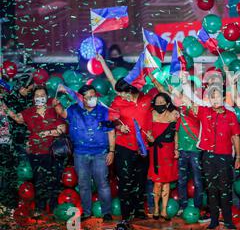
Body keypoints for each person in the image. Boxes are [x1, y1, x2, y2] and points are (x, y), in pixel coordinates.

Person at [54, 84, 115, 222]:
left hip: (100, 153)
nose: (91, 98)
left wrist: (111, 151)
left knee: (103, 183)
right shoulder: (74, 109)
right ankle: (87, 212)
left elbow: (111, 132)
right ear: (82, 98)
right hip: (80, 153)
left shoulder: (103, 111)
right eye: (87, 96)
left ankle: (107, 212)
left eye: (93, 95)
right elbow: (63, 114)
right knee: (83, 184)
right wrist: (57, 105)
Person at [4, 85, 67, 216]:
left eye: (42, 95)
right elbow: (17, 118)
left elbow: (62, 129)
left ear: (46, 97)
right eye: (37, 96)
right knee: (39, 180)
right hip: (36, 152)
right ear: (33, 98)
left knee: (54, 180)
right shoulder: (28, 112)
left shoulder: (54, 108)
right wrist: (5, 109)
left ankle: (54, 207)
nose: (40, 98)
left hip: (54, 152)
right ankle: (40, 207)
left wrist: (47, 132)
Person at [187, 84, 240, 230]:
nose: (215, 99)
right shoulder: (203, 112)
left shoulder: (230, 115)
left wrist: (238, 157)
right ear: (209, 100)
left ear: (223, 98)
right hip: (208, 156)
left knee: (225, 188)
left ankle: (228, 220)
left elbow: (236, 137)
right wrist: (183, 82)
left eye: (217, 96)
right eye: (212, 97)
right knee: (211, 189)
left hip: (225, 156)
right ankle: (214, 220)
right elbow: (189, 102)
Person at [108, 78, 153, 222]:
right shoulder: (117, 102)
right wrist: (119, 127)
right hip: (124, 147)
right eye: (119, 93)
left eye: (123, 93)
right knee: (125, 181)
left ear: (131, 90)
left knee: (140, 181)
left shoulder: (146, 99)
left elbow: (155, 116)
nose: (120, 96)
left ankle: (139, 209)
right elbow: (111, 120)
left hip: (143, 147)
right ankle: (126, 214)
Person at [146, 92, 179, 221]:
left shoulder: (173, 116)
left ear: (167, 103)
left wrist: (176, 149)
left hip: (168, 151)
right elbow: (148, 131)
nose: (159, 104)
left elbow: (175, 134)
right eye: (157, 102)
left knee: (166, 182)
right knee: (157, 182)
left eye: (162, 102)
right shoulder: (150, 114)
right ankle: (156, 208)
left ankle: (164, 210)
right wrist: (149, 137)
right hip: (156, 152)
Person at [175, 80, 204, 216]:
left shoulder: (198, 109)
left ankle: (197, 206)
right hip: (182, 149)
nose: (186, 94)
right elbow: (176, 131)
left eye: (189, 91)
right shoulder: (178, 112)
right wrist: (176, 148)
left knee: (198, 180)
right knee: (181, 180)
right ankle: (183, 205)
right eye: (184, 92)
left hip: (195, 150)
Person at [0, 80, 18, 209]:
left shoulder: (3, 105)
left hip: (6, 145)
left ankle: (7, 205)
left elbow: (16, 117)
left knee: (7, 176)